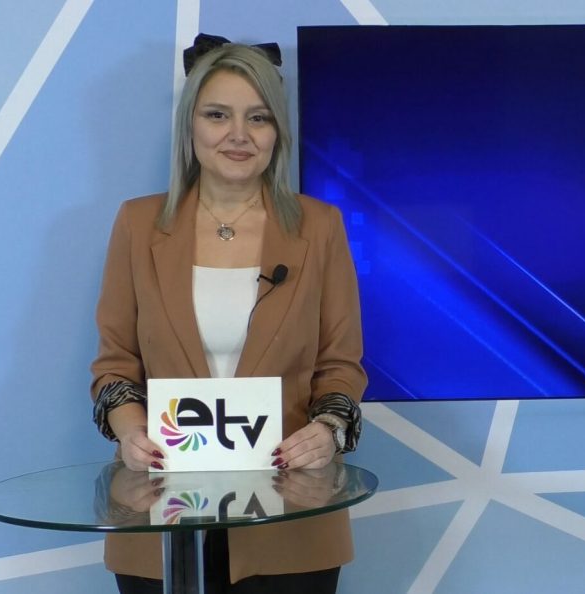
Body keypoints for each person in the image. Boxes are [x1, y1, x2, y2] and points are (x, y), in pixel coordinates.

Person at [89, 34, 366, 594]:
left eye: (258, 118)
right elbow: (115, 365)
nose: (239, 134)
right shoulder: (138, 225)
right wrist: (130, 430)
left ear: (277, 132)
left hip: (291, 517)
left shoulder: (320, 227)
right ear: (189, 125)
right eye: (218, 115)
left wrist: (329, 431)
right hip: (161, 514)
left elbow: (341, 366)